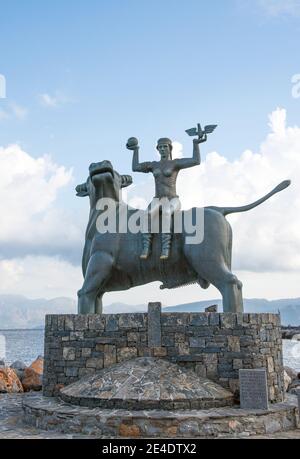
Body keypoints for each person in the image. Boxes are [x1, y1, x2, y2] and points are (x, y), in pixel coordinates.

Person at [127, 134, 206, 259]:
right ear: (157, 150)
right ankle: (146, 247)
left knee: (167, 211)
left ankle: (165, 248)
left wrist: (195, 144)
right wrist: (135, 150)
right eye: (160, 147)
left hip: (173, 200)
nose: (162, 149)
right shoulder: (154, 165)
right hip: (158, 200)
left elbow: (195, 161)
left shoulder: (175, 163)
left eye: (165, 147)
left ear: (170, 148)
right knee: (147, 214)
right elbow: (135, 167)